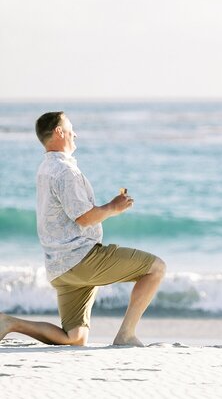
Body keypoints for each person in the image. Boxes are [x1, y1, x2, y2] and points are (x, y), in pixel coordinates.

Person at [0, 111, 166, 347]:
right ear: (59, 132)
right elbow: (84, 218)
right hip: (81, 259)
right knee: (157, 268)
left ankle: (10, 323)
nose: (75, 133)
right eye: (71, 128)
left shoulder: (45, 168)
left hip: (60, 268)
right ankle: (126, 334)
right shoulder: (66, 172)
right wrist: (113, 207)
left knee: (74, 339)